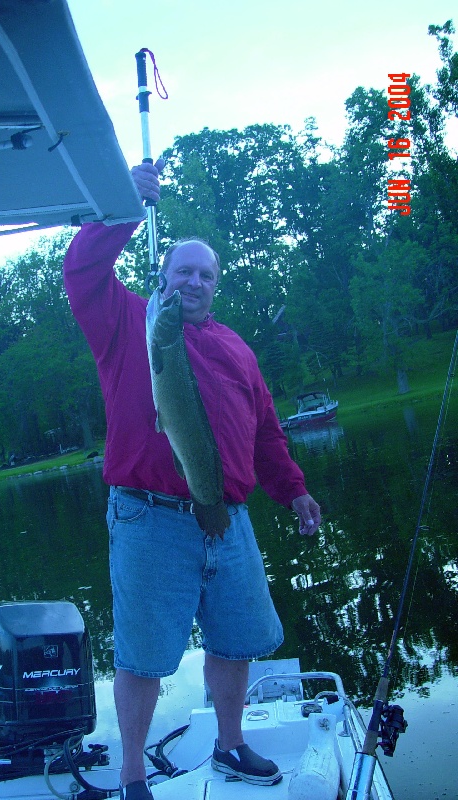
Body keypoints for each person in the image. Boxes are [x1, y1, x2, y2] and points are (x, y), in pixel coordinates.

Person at [63, 160, 321, 800]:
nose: (195, 282)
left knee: (238, 640)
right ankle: (131, 777)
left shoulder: (237, 348)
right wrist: (124, 208)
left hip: (227, 520)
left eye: (206, 275)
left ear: (216, 287)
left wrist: (293, 489)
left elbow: (264, 434)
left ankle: (230, 746)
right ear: (162, 281)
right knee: (143, 657)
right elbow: (82, 272)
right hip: (148, 518)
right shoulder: (130, 323)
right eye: (183, 271)